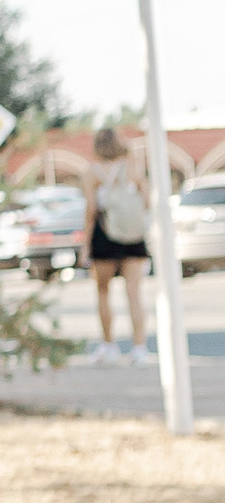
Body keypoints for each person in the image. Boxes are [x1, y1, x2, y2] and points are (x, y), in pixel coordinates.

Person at [78, 125, 154, 356]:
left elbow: (91, 211)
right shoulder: (133, 168)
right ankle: (139, 347)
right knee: (134, 293)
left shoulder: (92, 173)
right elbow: (148, 201)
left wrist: (85, 246)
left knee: (103, 292)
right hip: (133, 236)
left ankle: (108, 344)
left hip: (104, 236)